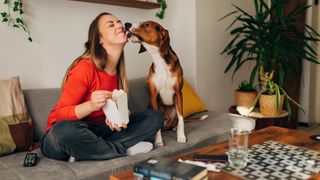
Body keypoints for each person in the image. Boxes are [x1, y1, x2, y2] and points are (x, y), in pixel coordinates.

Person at [40, 12, 163, 162]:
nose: (120, 25)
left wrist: (122, 116)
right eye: (111, 25)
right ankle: (123, 149)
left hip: (98, 132)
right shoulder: (85, 68)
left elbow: (110, 118)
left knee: (155, 117)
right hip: (60, 136)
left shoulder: (119, 73)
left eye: (119, 22)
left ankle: (89, 151)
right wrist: (91, 105)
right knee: (63, 131)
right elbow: (59, 115)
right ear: (99, 39)